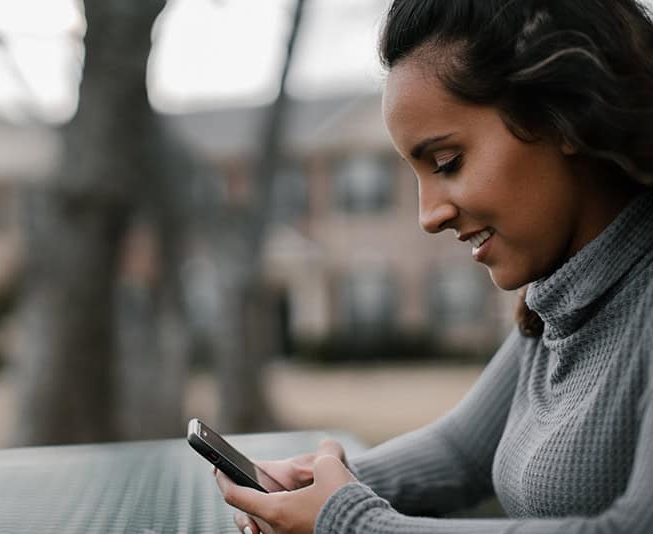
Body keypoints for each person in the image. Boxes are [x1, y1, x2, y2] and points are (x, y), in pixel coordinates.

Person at [215, 0, 653, 532]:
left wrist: (351, 523)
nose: (428, 216)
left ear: (565, 114)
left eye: (447, 163)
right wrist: (323, 485)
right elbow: (462, 450)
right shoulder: (559, 302)